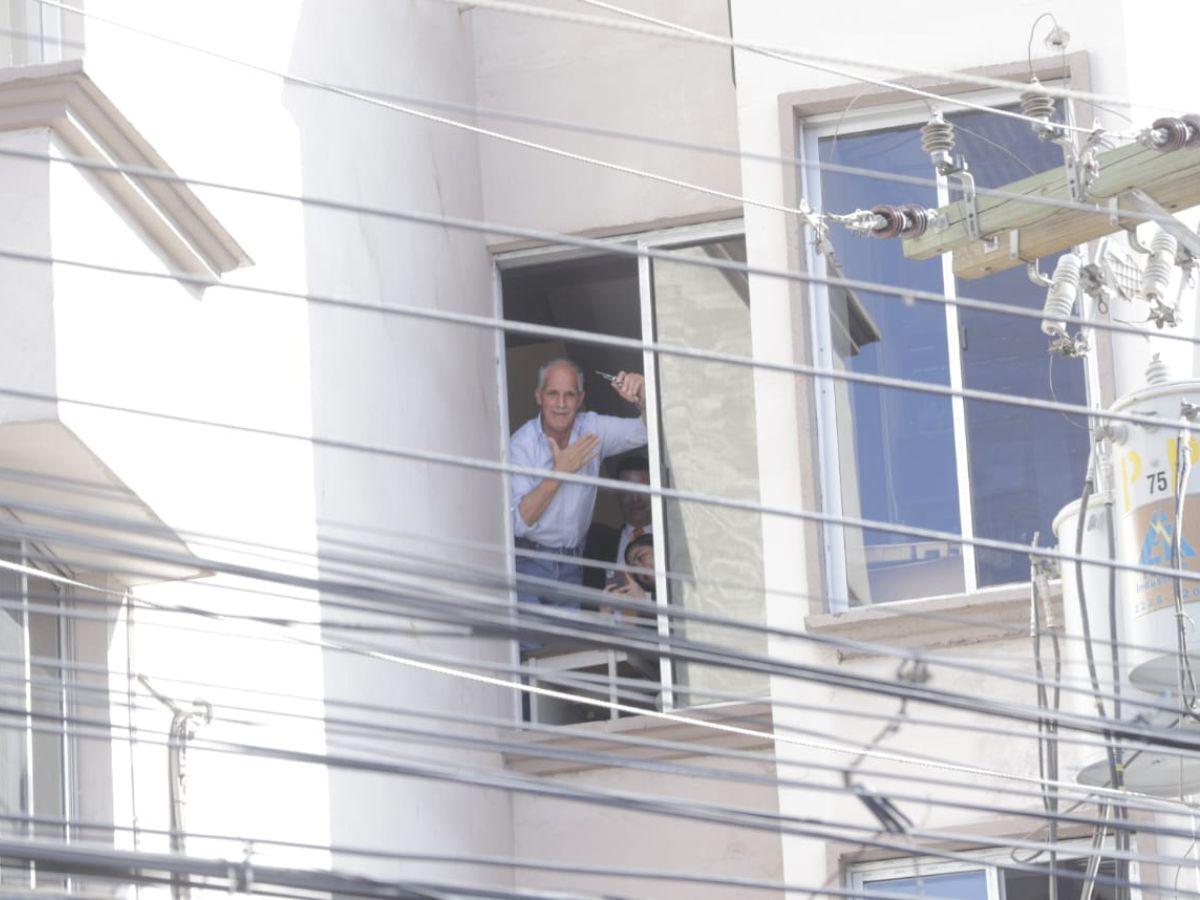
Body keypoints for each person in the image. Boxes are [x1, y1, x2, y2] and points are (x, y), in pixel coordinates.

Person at [508, 358, 646, 629]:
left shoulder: (592, 430)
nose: (561, 404)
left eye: (569, 394)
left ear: (581, 398)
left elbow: (647, 431)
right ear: (539, 396)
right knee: (528, 650)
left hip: (572, 564)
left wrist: (642, 396)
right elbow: (518, 521)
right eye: (553, 394)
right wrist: (559, 473)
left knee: (563, 650)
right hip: (529, 563)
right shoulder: (521, 445)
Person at [613, 455, 652, 578]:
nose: (635, 499)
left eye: (642, 490)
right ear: (618, 495)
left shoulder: (672, 541)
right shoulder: (599, 544)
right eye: (628, 491)